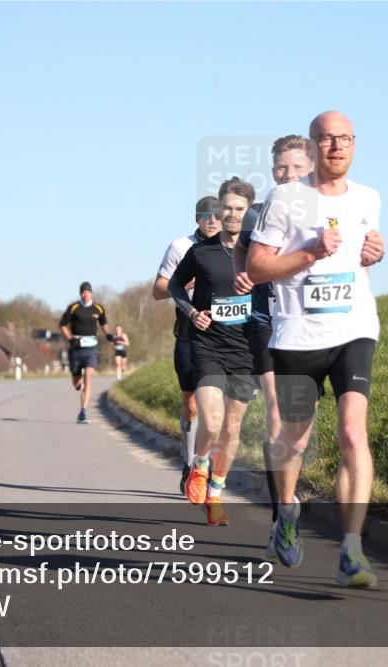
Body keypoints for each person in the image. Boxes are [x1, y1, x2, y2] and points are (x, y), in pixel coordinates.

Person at [248, 111, 386, 588]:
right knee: (296, 440)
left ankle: (353, 549)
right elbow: (259, 267)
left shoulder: (370, 199)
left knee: (353, 432)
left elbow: (360, 266)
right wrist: (309, 252)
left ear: (355, 144)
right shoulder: (284, 199)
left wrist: (373, 256)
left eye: (345, 138)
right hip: (297, 337)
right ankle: (287, 514)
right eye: (326, 139)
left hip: (354, 330)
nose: (336, 147)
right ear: (312, 146)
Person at [232, 135, 315, 542]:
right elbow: (242, 253)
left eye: (296, 168)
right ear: (272, 171)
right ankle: (280, 514)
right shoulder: (258, 213)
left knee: (300, 420)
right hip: (267, 321)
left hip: (313, 325)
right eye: (281, 168)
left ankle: (289, 490)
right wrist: (243, 275)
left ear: (310, 169)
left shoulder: (326, 210)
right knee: (277, 411)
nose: (288, 175)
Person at [169, 177, 257, 526]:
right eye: (227, 208)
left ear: (247, 212)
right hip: (207, 344)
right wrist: (191, 312)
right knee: (213, 420)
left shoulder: (257, 252)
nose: (232, 215)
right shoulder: (200, 251)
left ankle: (216, 494)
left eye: (239, 209)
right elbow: (175, 284)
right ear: (218, 210)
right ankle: (200, 465)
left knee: (233, 430)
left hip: (244, 348)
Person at [153, 197, 221, 493]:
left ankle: (208, 466)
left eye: (218, 215)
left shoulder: (233, 247)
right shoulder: (180, 246)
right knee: (192, 404)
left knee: (219, 406)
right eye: (206, 216)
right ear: (197, 219)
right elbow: (159, 289)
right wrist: (192, 281)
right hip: (189, 331)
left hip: (223, 335)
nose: (213, 221)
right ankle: (190, 461)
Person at [59, 281, 114, 424]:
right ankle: (80, 387)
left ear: (91, 293)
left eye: (88, 292)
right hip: (76, 348)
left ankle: (83, 412)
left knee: (89, 375)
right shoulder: (73, 308)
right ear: (80, 293)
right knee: (77, 383)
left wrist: (108, 334)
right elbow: (62, 325)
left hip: (91, 348)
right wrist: (70, 338)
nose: (85, 294)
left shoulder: (98, 308)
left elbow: (103, 324)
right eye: (83, 292)